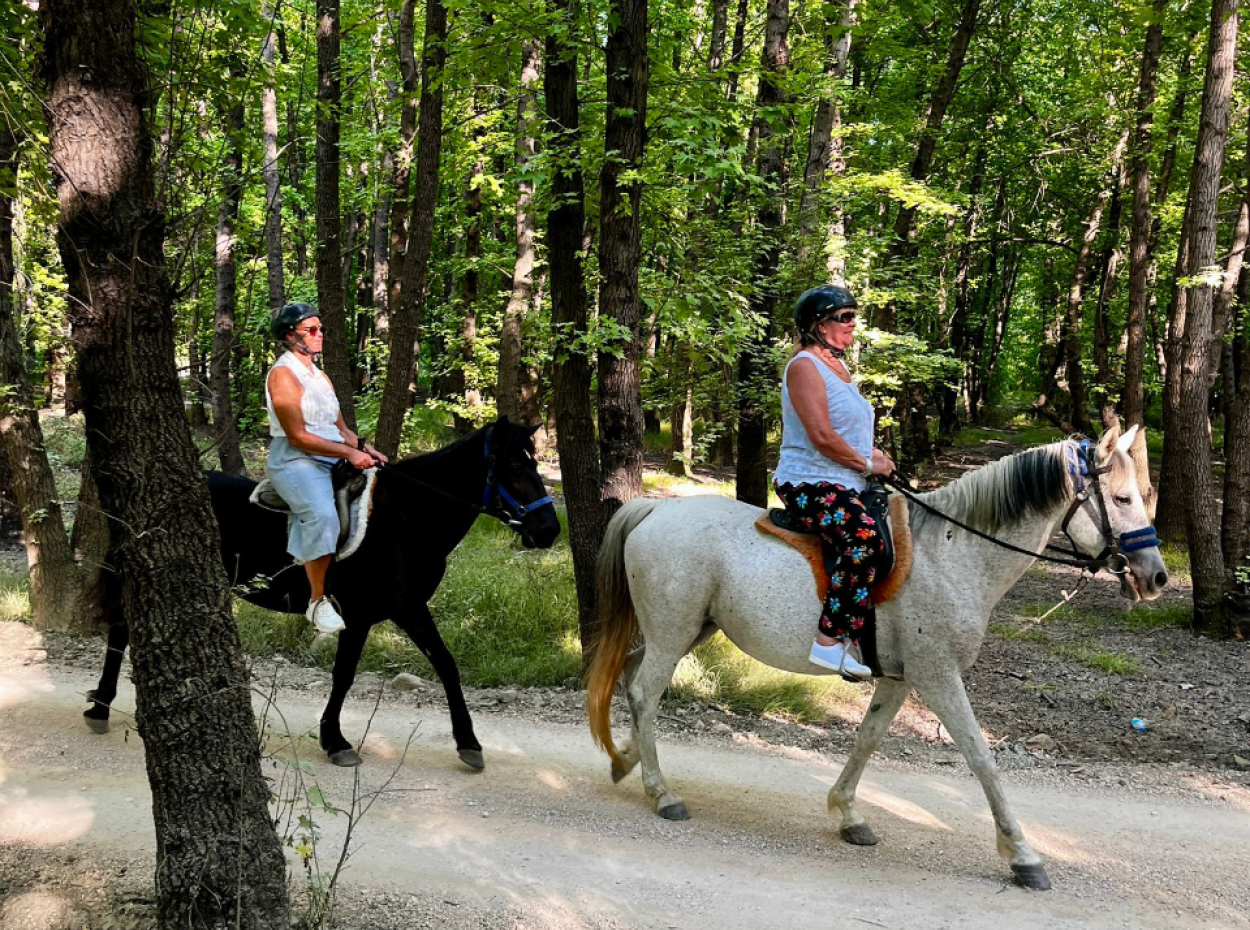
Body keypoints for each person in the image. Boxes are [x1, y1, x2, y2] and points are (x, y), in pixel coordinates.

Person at [773, 285, 894, 681]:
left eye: (853, 315)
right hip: (809, 481)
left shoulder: (840, 370)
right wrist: (866, 463)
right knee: (864, 538)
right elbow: (822, 436)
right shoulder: (805, 366)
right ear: (818, 326)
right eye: (844, 317)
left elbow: (848, 431)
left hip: (845, 480)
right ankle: (827, 642)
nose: (853, 323)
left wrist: (874, 456)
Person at [265, 302, 387, 634]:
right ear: (291, 336)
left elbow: (342, 429)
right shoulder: (282, 375)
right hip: (296, 459)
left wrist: (365, 448)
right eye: (312, 330)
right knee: (322, 514)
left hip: (333, 452)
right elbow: (300, 436)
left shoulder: (320, 376)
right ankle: (317, 603)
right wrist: (347, 454)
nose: (320, 335)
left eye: (322, 329)